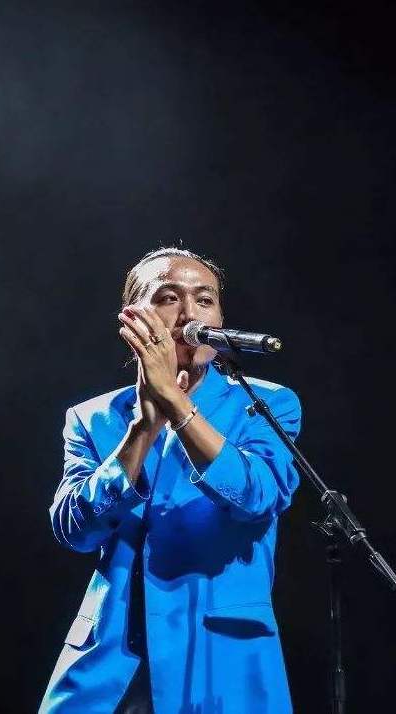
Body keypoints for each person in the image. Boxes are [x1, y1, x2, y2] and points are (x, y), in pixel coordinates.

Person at [38, 247, 302, 714]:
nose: (189, 313)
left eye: (205, 299)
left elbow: (258, 496)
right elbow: (76, 531)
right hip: (112, 668)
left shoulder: (266, 405)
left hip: (222, 662)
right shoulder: (92, 418)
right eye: (168, 297)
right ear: (132, 320)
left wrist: (178, 407)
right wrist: (142, 428)